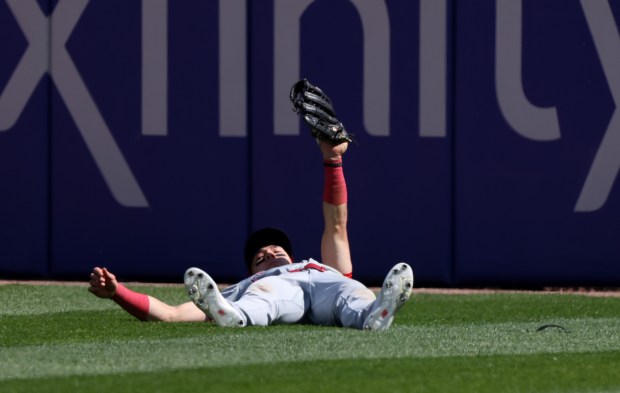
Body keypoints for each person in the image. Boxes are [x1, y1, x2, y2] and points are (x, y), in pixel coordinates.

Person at [89, 140, 414, 331]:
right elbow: (172, 314)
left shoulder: (324, 265)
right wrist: (118, 293)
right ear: (251, 270)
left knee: (353, 293)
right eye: (260, 257)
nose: (269, 252)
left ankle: (374, 316)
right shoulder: (251, 284)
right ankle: (235, 316)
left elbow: (337, 225)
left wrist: (334, 159)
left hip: (329, 285)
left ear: (292, 253)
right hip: (277, 290)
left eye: (275, 250)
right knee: (264, 298)